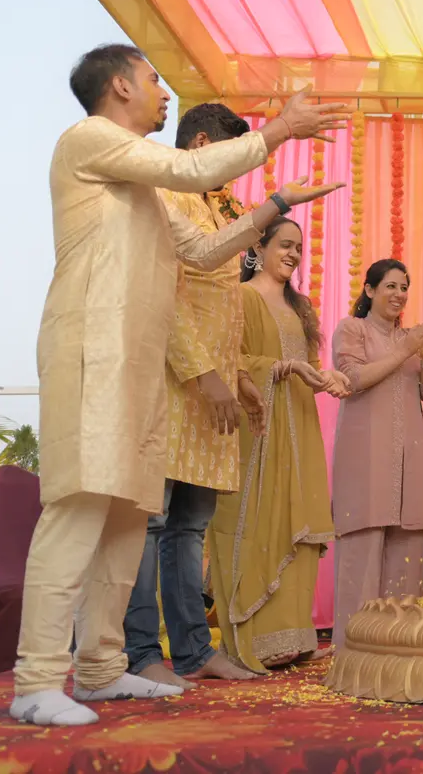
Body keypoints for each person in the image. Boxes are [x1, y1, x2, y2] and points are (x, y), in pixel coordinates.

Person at [11, 44, 346, 726]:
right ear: (118, 86)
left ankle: (102, 668)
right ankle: (37, 680)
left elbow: (205, 251)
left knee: (127, 517)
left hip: (140, 370)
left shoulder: (143, 188)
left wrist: (277, 203)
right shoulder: (88, 140)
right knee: (79, 509)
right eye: (153, 79)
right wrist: (279, 130)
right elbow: (190, 167)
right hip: (92, 353)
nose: (164, 93)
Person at [121, 103, 263, 692]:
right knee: (149, 521)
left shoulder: (219, 205)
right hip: (171, 380)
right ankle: (136, 654)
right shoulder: (167, 192)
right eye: (232, 156)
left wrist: (238, 375)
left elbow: (226, 303)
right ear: (202, 144)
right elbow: (167, 294)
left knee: (190, 526)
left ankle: (193, 652)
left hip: (214, 389)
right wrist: (203, 372)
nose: (237, 172)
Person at [207, 217, 350, 673]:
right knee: (257, 522)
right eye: (284, 245)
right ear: (258, 248)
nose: (292, 254)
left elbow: (308, 366)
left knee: (299, 523)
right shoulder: (242, 297)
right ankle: (254, 638)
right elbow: (229, 359)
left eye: (298, 248)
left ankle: (295, 636)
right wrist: (283, 369)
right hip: (260, 427)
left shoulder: (298, 306)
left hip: (299, 427)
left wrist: (327, 376)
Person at [331, 259, 423, 650]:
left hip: (409, 456)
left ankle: (397, 653)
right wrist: (406, 350)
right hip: (366, 457)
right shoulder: (353, 329)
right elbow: (352, 379)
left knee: (408, 550)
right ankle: (353, 653)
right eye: (391, 286)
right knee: (362, 549)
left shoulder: (410, 339)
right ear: (370, 290)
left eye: (404, 287)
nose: (399, 295)